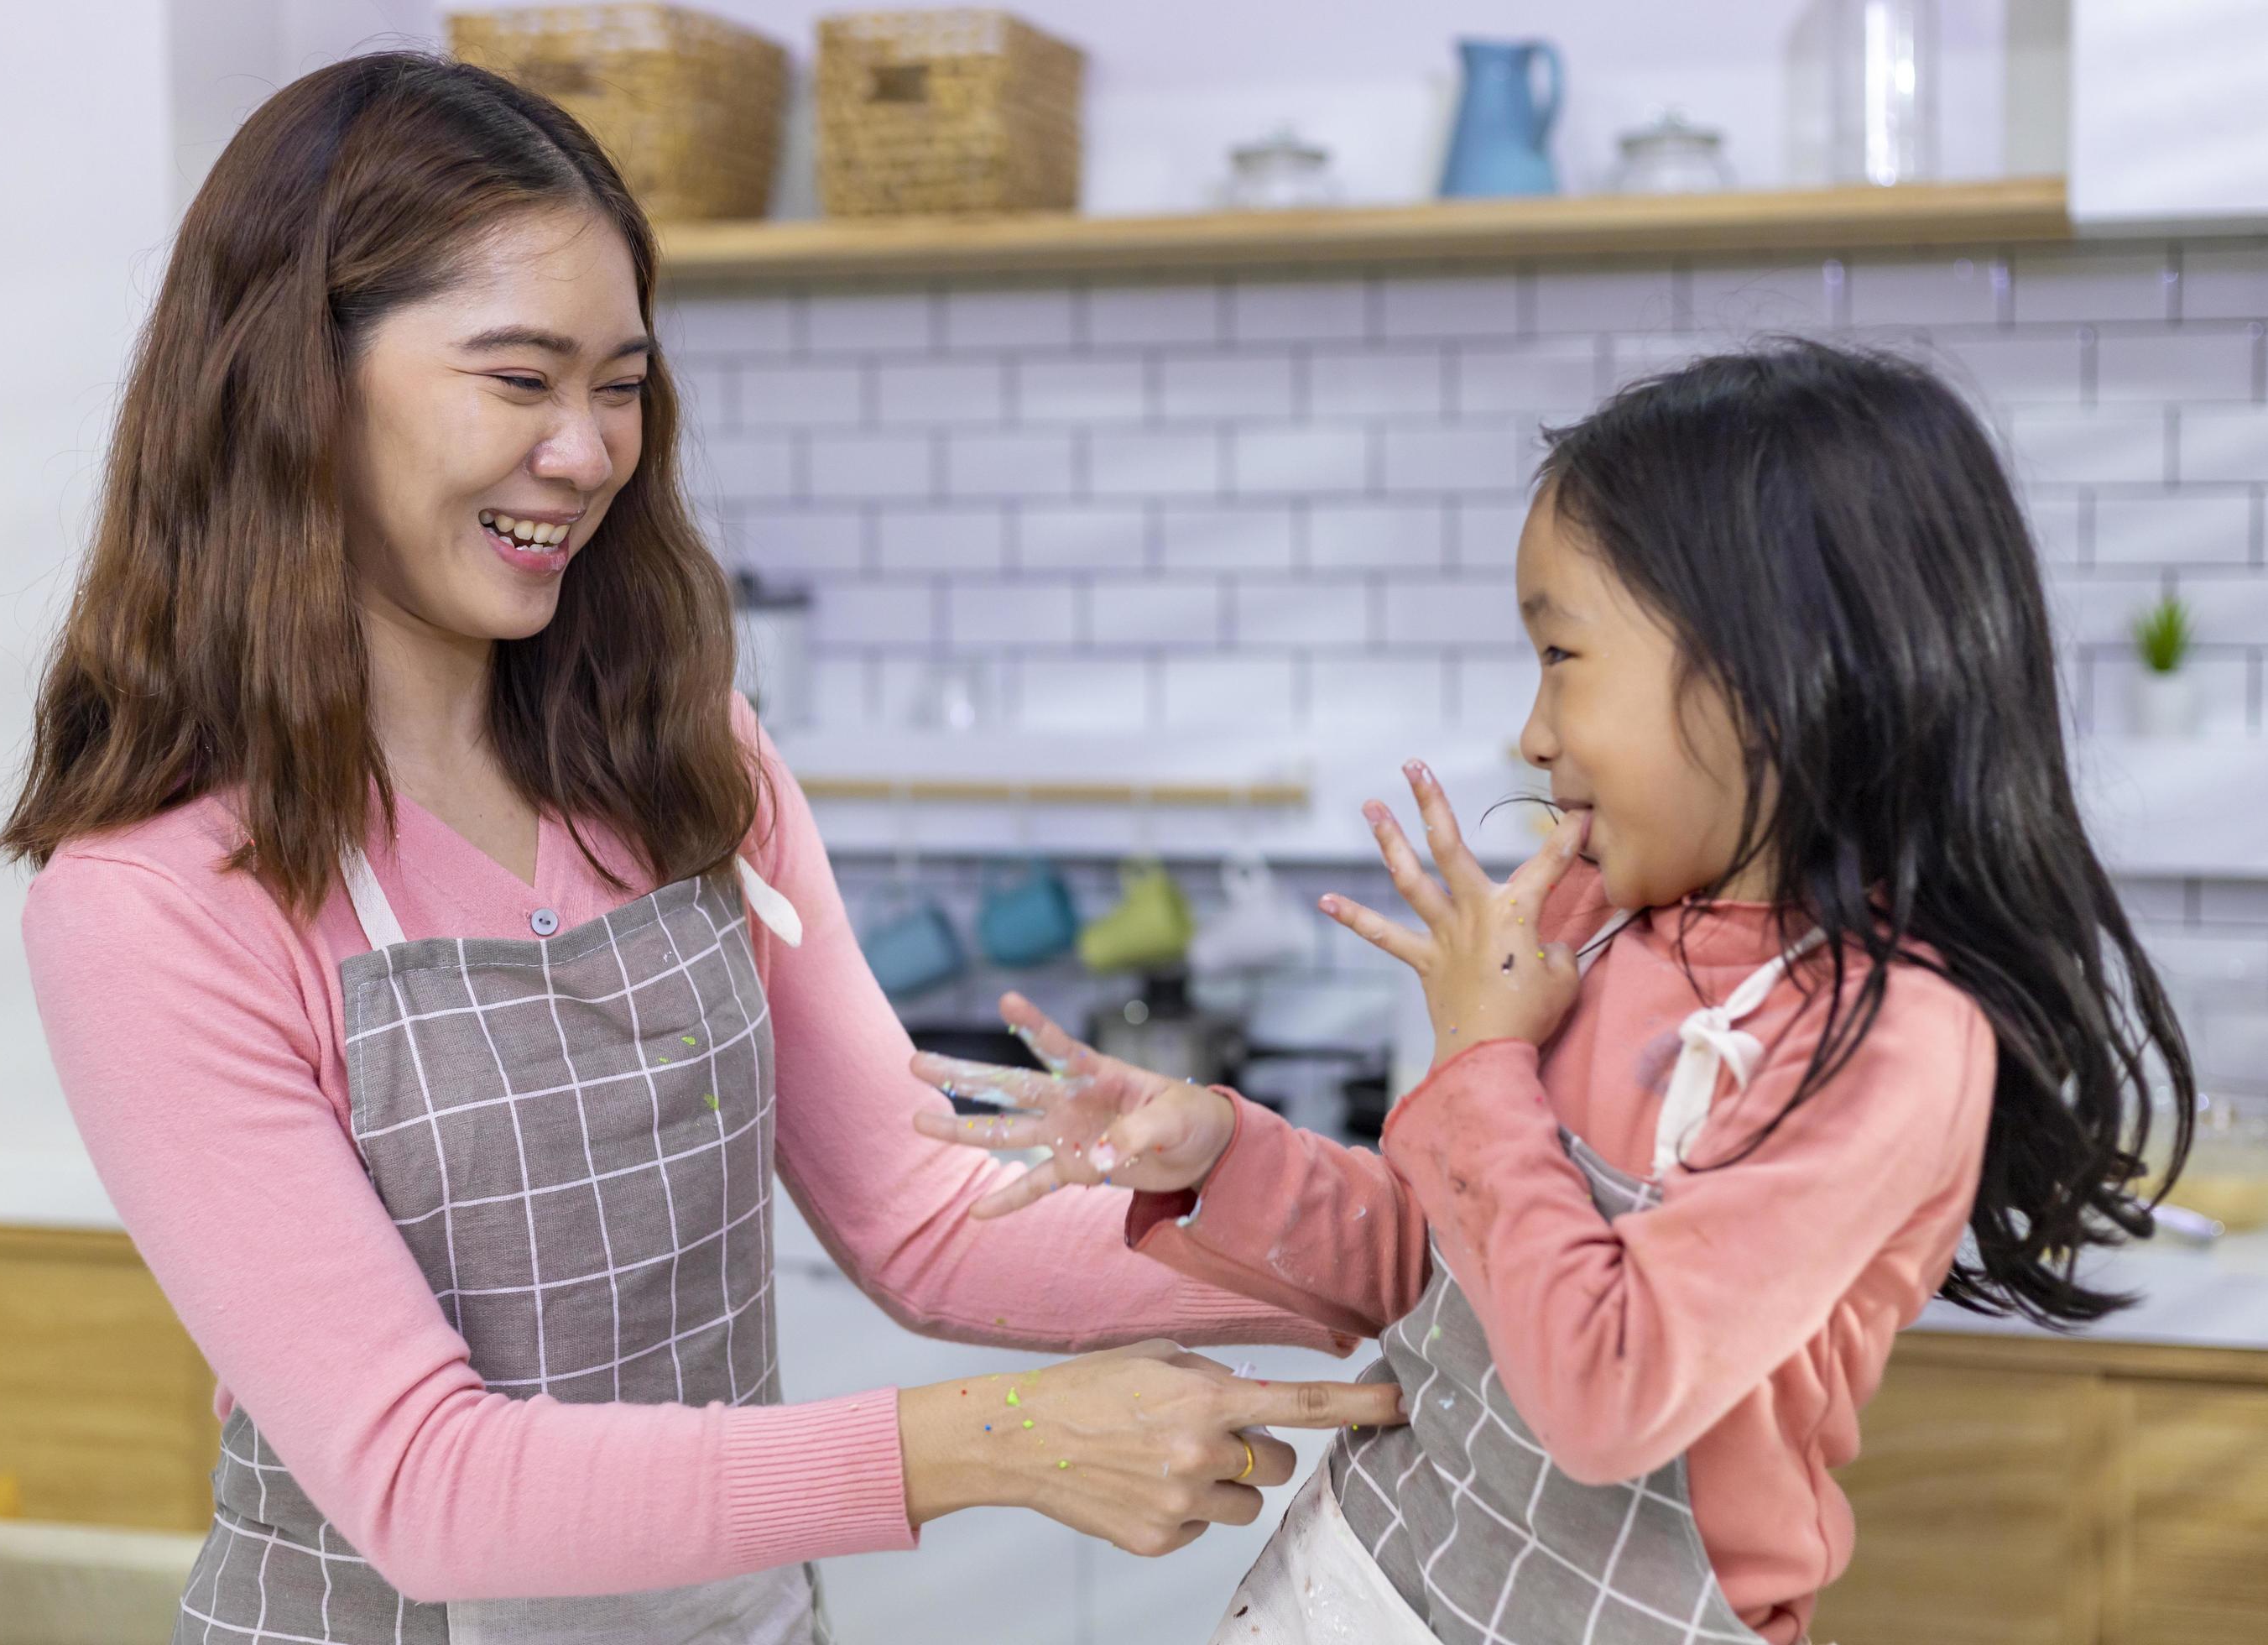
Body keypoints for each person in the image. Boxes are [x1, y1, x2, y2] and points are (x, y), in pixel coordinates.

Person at [0, 52, 1398, 1642]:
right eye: (520, 381)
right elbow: (426, 1487)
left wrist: (1398, 1248)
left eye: (619, 382)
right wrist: (994, 1446)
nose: (589, 453)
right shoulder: (156, 904)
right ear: (294, 387)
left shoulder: (683, 760)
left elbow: (923, 1217)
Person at [919, 342, 2196, 1643]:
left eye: (1563, 656)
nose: (1532, 733)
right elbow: (1440, 1268)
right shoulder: (1588, 921)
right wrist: (1216, 1152)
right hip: (1348, 1585)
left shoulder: (1887, 1041)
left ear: (1771, 674)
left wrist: (1480, 1060)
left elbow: (1610, 1390)